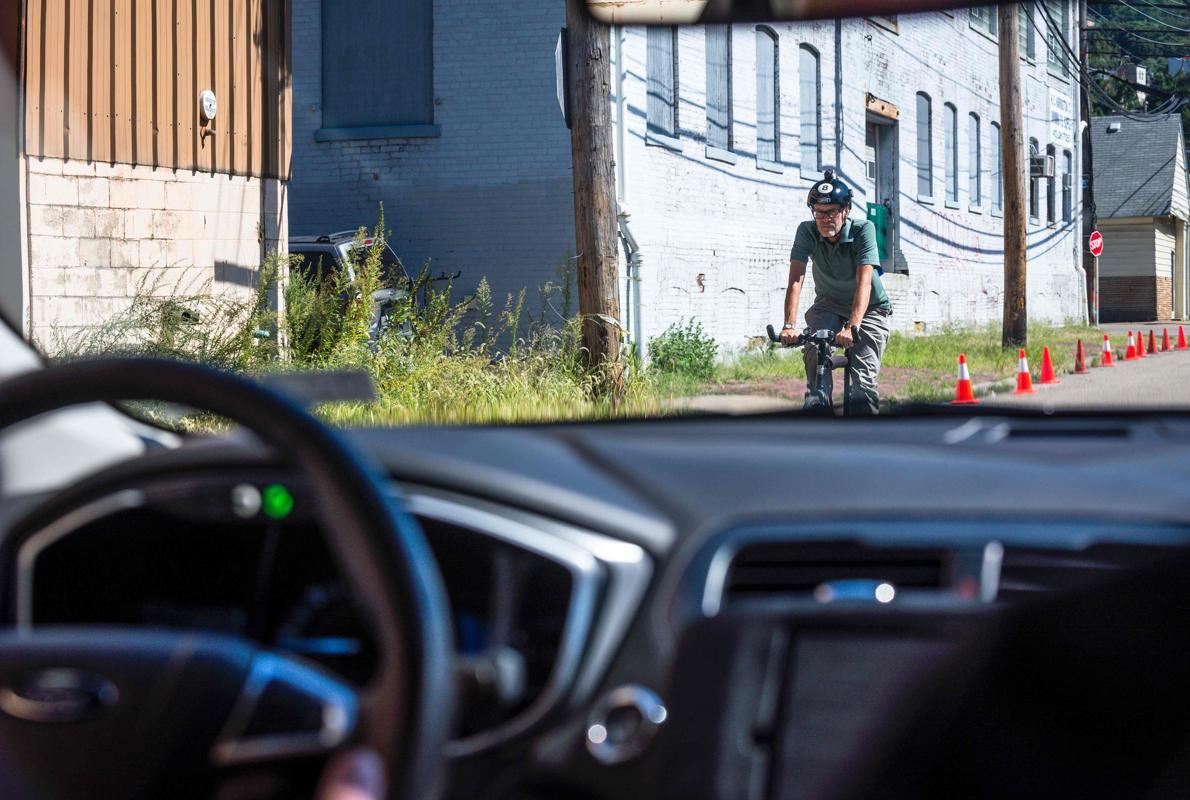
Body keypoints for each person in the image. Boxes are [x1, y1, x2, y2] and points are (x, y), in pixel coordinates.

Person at [779, 170, 894, 415]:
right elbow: (795, 280)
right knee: (813, 346)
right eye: (818, 212)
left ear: (846, 210)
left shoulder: (864, 230)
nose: (824, 218)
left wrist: (852, 326)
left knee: (862, 385)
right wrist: (789, 325)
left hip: (870, 308)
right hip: (829, 303)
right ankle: (818, 402)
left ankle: (864, 435)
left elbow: (864, 282)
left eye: (831, 211)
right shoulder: (806, 231)